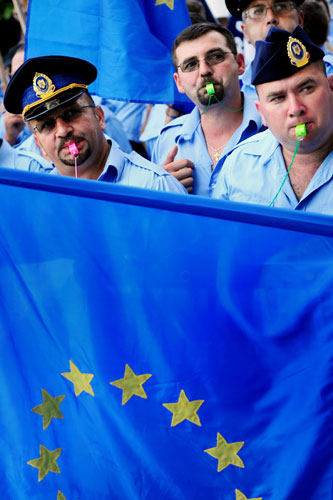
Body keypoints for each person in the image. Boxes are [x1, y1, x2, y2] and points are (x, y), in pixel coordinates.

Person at [3, 55, 187, 194]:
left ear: (99, 117)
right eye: (47, 125)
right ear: (38, 143)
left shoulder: (155, 187)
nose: (62, 130)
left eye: (71, 113)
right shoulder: (40, 200)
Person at [212, 25, 333, 215]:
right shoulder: (238, 165)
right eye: (278, 98)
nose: (295, 109)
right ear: (261, 112)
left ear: (331, 88)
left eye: (306, 88)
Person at [151, 22, 263, 196]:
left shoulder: (274, 129)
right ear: (179, 83)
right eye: (190, 65)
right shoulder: (168, 140)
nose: (204, 70)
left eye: (216, 57)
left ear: (240, 63)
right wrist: (162, 192)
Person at [225, 0, 305, 100]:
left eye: (281, 7)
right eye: (257, 11)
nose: (271, 18)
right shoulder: (231, 95)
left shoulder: (328, 74)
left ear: (300, 20)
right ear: (245, 32)